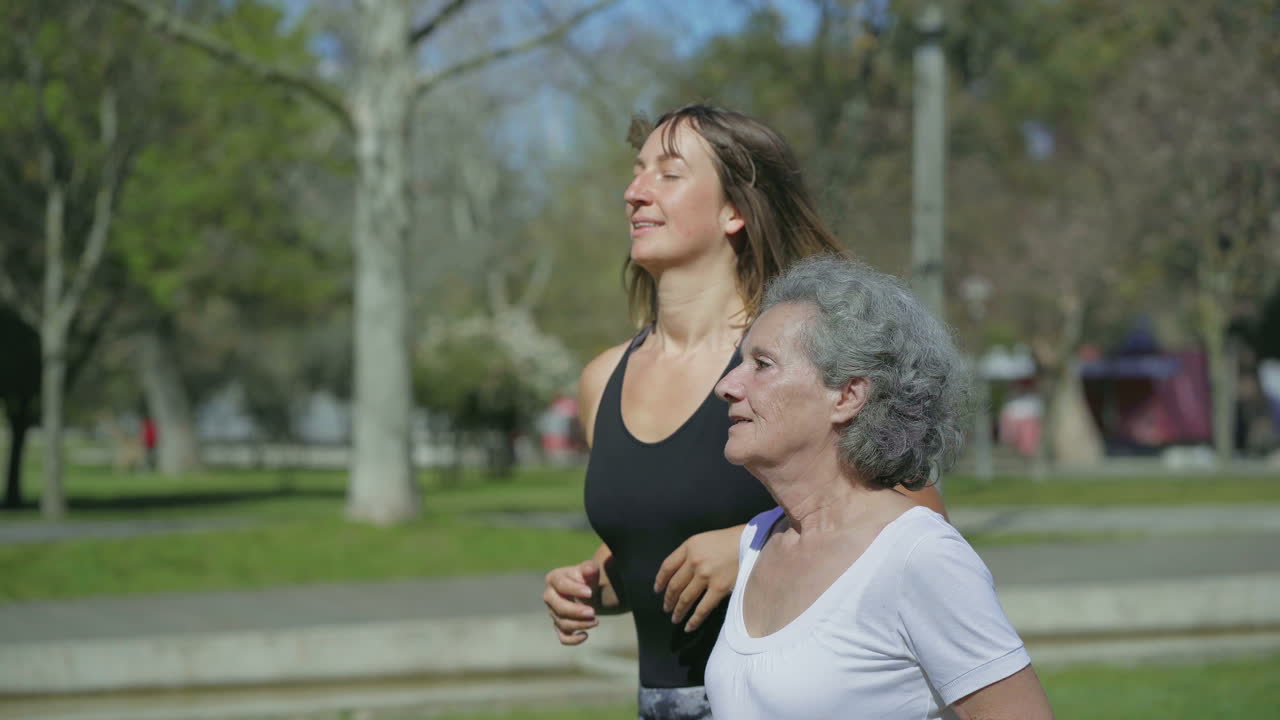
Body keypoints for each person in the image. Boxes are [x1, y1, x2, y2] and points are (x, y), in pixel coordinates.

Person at [542, 105, 947, 719]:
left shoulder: (804, 358)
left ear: (734, 211)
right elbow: (660, 542)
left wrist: (755, 543)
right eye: (636, 172)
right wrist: (596, 583)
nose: (635, 192)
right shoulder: (602, 379)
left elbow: (921, 520)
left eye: (669, 174)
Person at [704, 256, 1053, 719]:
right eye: (739, 363)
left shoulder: (918, 556)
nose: (727, 385)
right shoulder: (757, 540)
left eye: (762, 364)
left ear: (848, 396)